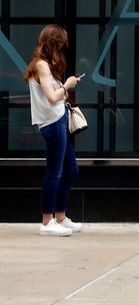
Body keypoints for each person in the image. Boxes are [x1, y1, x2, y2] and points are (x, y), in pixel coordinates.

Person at [24, 24, 82, 236]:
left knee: (70, 170)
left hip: (58, 120)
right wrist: (67, 85)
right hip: (53, 122)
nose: (63, 49)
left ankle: (60, 216)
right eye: (61, 45)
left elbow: (55, 96)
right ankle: (47, 221)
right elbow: (51, 96)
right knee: (55, 172)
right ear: (54, 44)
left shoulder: (43, 65)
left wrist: (63, 91)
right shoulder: (41, 65)